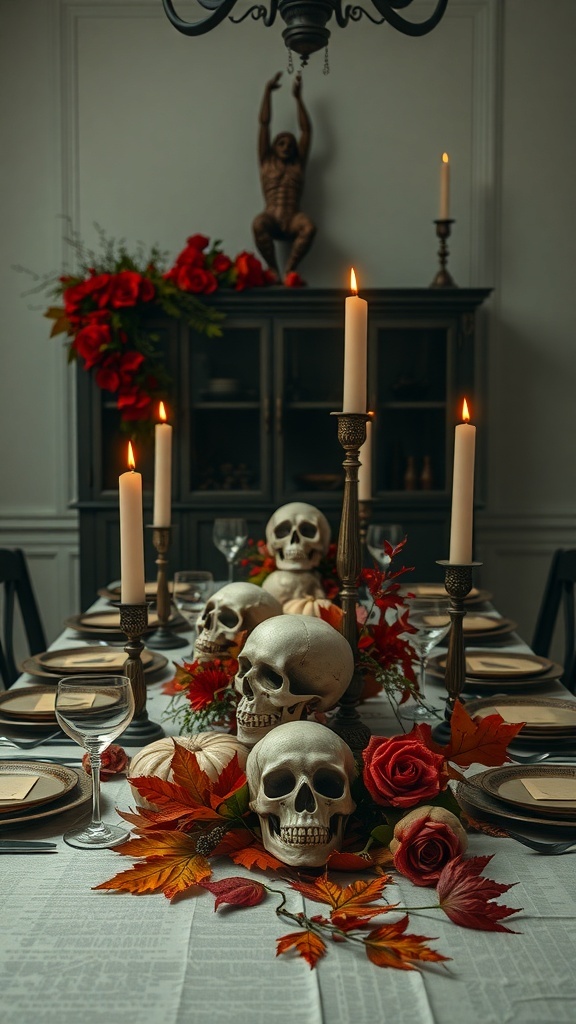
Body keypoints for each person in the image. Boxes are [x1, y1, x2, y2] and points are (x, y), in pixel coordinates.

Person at [252, 71, 316, 284]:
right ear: (273, 147)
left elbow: (306, 131)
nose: (286, 146)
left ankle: (290, 269)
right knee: (258, 223)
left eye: (290, 144)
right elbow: (264, 125)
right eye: (281, 143)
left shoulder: (298, 165)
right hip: (271, 217)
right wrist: (267, 93)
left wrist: (298, 99)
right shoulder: (266, 163)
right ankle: (272, 268)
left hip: (293, 217)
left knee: (309, 227)